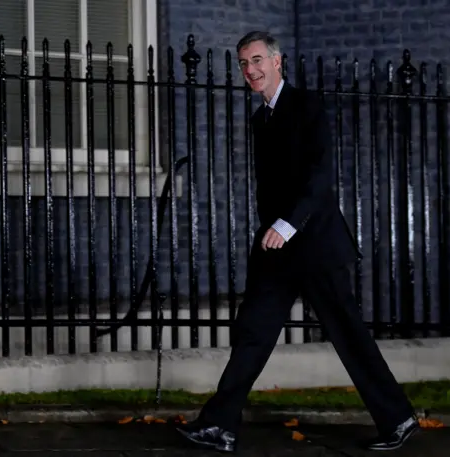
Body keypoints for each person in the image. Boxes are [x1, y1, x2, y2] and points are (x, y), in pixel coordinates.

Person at [175, 31, 419, 454]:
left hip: (315, 244)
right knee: (252, 332)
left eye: (256, 61)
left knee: (348, 334)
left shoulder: (306, 105)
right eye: (243, 64)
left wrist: (288, 223)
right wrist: (269, 230)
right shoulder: (260, 119)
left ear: (276, 62)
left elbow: (320, 175)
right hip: (277, 250)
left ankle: (398, 418)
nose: (249, 70)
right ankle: (219, 425)